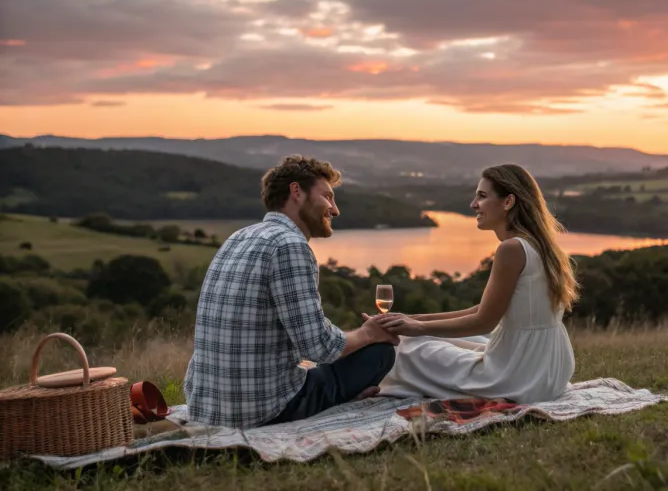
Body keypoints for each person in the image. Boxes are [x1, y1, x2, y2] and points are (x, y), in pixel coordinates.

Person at [184, 155, 398, 428]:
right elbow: (320, 346)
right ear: (296, 192)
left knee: (321, 366)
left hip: (206, 406)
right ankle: (339, 399)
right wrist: (369, 334)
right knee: (379, 353)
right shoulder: (290, 246)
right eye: (328, 197)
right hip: (261, 409)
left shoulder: (238, 237)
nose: (335, 209)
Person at [374, 164, 578, 404]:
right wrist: (413, 319)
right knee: (433, 338)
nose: (473, 205)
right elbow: (482, 310)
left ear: (508, 202)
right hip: (550, 370)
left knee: (407, 349)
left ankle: (357, 385)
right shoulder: (541, 246)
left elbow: (484, 321)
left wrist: (417, 329)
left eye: (482, 196)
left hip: (519, 376)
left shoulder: (511, 249)